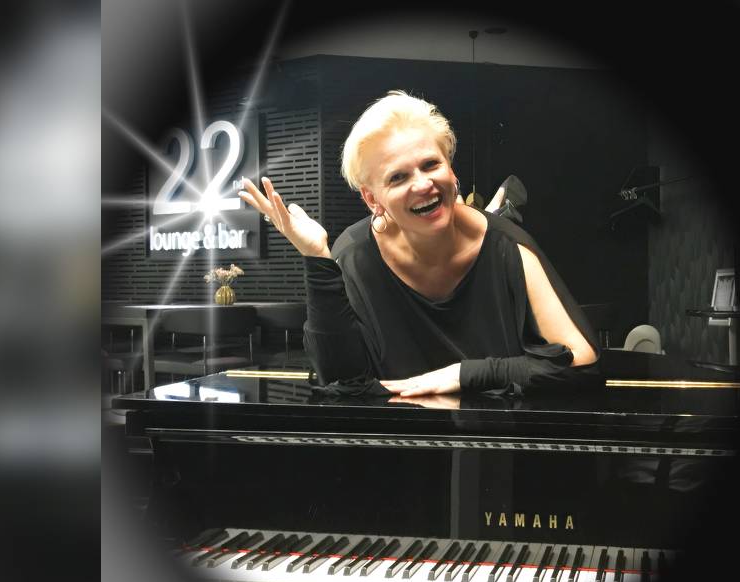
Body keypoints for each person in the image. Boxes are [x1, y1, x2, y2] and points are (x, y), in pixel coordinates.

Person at [239, 90, 598, 397]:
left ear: (451, 170)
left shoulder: (507, 246)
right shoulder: (355, 255)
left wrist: (464, 374)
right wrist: (317, 257)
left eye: (430, 164)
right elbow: (341, 381)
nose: (423, 184)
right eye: (398, 177)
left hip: (497, 441)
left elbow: (581, 365)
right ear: (372, 199)